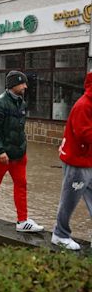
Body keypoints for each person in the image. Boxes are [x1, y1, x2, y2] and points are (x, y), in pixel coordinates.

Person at [0, 70, 44, 232]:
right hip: (1, 155)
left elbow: (19, 129)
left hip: (19, 155)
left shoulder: (22, 103)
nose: (25, 86)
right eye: (22, 83)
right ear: (13, 85)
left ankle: (22, 221)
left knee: (21, 185)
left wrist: (23, 149)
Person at [52, 72, 92, 250]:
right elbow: (84, 133)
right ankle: (60, 234)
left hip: (89, 160)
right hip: (77, 162)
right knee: (69, 199)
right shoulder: (83, 105)